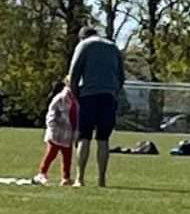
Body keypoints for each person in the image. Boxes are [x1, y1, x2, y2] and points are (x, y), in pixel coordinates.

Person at [68, 26, 125, 187]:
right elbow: (121, 76)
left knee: (84, 137)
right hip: (108, 97)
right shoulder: (113, 46)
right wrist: (113, 91)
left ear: (82, 37)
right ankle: (101, 178)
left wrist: (75, 94)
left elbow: (74, 73)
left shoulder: (84, 45)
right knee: (103, 139)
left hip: (88, 95)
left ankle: (80, 178)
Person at [33, 78, 79, 186]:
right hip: (57, 132)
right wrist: (52, 126)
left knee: (67, 156)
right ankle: (42, 173)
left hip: (69, 132)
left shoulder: (76, 99)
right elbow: (51, 114)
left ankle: (66, 177)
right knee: (51, 154)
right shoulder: (60, 98)